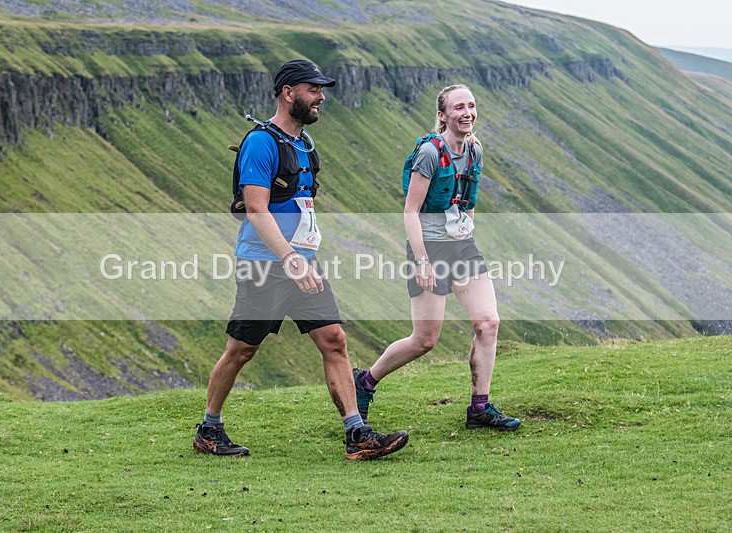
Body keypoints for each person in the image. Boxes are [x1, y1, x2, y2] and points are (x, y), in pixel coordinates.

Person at [193, 60, 409, 460]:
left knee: (334, 340)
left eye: (322, 89)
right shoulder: (261, 143)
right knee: (241, 350)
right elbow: (256, 209)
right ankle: (209, 428)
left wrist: (302, 258)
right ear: (288, 92)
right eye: (313, 89)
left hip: (304, 264)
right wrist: (291, 258)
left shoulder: (305, 144)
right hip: (265, 265)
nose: (321, 97)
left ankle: (356, 433)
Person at [353, 84, 520, 432]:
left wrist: (466, 235)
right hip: (429, 248)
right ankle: (365, 382)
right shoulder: (430, 152)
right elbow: (410, 211)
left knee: (488, 323)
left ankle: (479, 407)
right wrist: (423, 261)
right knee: (425, 340)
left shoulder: (475, 149)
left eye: (471, 106)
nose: (467, 113)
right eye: (458, 107)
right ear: (442, 115)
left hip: (462, 246)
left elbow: (468, 198)